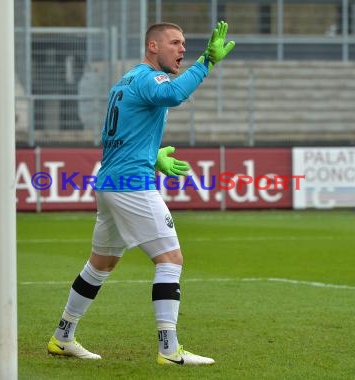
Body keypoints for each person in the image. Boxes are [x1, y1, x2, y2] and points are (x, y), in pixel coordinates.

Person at [47, 22, 235, 365]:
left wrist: (154, 156)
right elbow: (174, 95)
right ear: (153, 46)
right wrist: (206, 62)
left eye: (185, 44)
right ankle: (169, 348)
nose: (182, 49)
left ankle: (62, 336)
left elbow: (119, 133)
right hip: (131, 184)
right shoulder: (152, 79)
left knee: (101, 264)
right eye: (175, 43)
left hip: (111, 181)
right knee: (170, 259)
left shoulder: (126, 81)